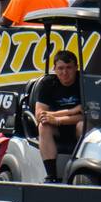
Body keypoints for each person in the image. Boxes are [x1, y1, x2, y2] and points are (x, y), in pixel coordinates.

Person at [35, 51, 83, 183]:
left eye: (69, 68)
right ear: (54, 69)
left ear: (76, 67)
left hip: (77, 128)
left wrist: (57, 119)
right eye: (60, 68)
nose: (64, 72)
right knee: (43, 126)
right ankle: (51, 176)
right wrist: (73, 111)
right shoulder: (47, 84)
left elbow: (87, 116)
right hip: (56, 129)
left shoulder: (84, 82)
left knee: (83, 125)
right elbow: (40, 115)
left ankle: (81, 169)